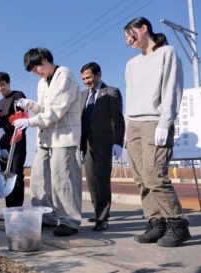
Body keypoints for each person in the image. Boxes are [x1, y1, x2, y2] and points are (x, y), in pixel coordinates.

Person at [124, 17, 191, 247]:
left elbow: (172, 88)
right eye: (126, 38)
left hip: (155, 121)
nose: (128, 40)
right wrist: (127, 128)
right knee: (140, 177)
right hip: (133, 123)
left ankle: (177, 223)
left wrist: (165, 122)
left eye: (131, 34)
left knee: (154, 173)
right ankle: (156, 222)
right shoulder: (131, 64)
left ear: (144, 29)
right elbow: (132, 97)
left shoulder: (167, 53)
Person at [14, 47, 82, 237]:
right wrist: (32, 106)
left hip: (64, 137)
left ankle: (69, 220)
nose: (37, 73)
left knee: (63, 180)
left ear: (45, 60)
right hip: (46, 138)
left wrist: (29, 121)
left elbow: (57, 111)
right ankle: (47, 217)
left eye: (37, 69)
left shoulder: (65, 75)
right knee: (38, 178)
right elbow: (45, 109)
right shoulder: (43, 83)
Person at [80, 62, 125, 231]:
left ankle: (103, 217)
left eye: (89, 77)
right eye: (83, 78)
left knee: (103, 180)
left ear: (99, 75)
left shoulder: (111, 92)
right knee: (91, 180)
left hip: (105, 142)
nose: (86, 81)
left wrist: (118, 142)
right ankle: (98, 212)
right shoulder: (82, 95)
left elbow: (118, 119)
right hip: (87, 143)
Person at [0, 72, 27, 220]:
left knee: (15, 175)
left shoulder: (17, 96)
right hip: (3, 147)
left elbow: (22, 117)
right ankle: (10, 210)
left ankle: (17, 211)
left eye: (2, 84)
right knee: (6, 176)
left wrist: (6, 129)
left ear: (9, 83)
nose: (0, 88)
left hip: (16, 143)